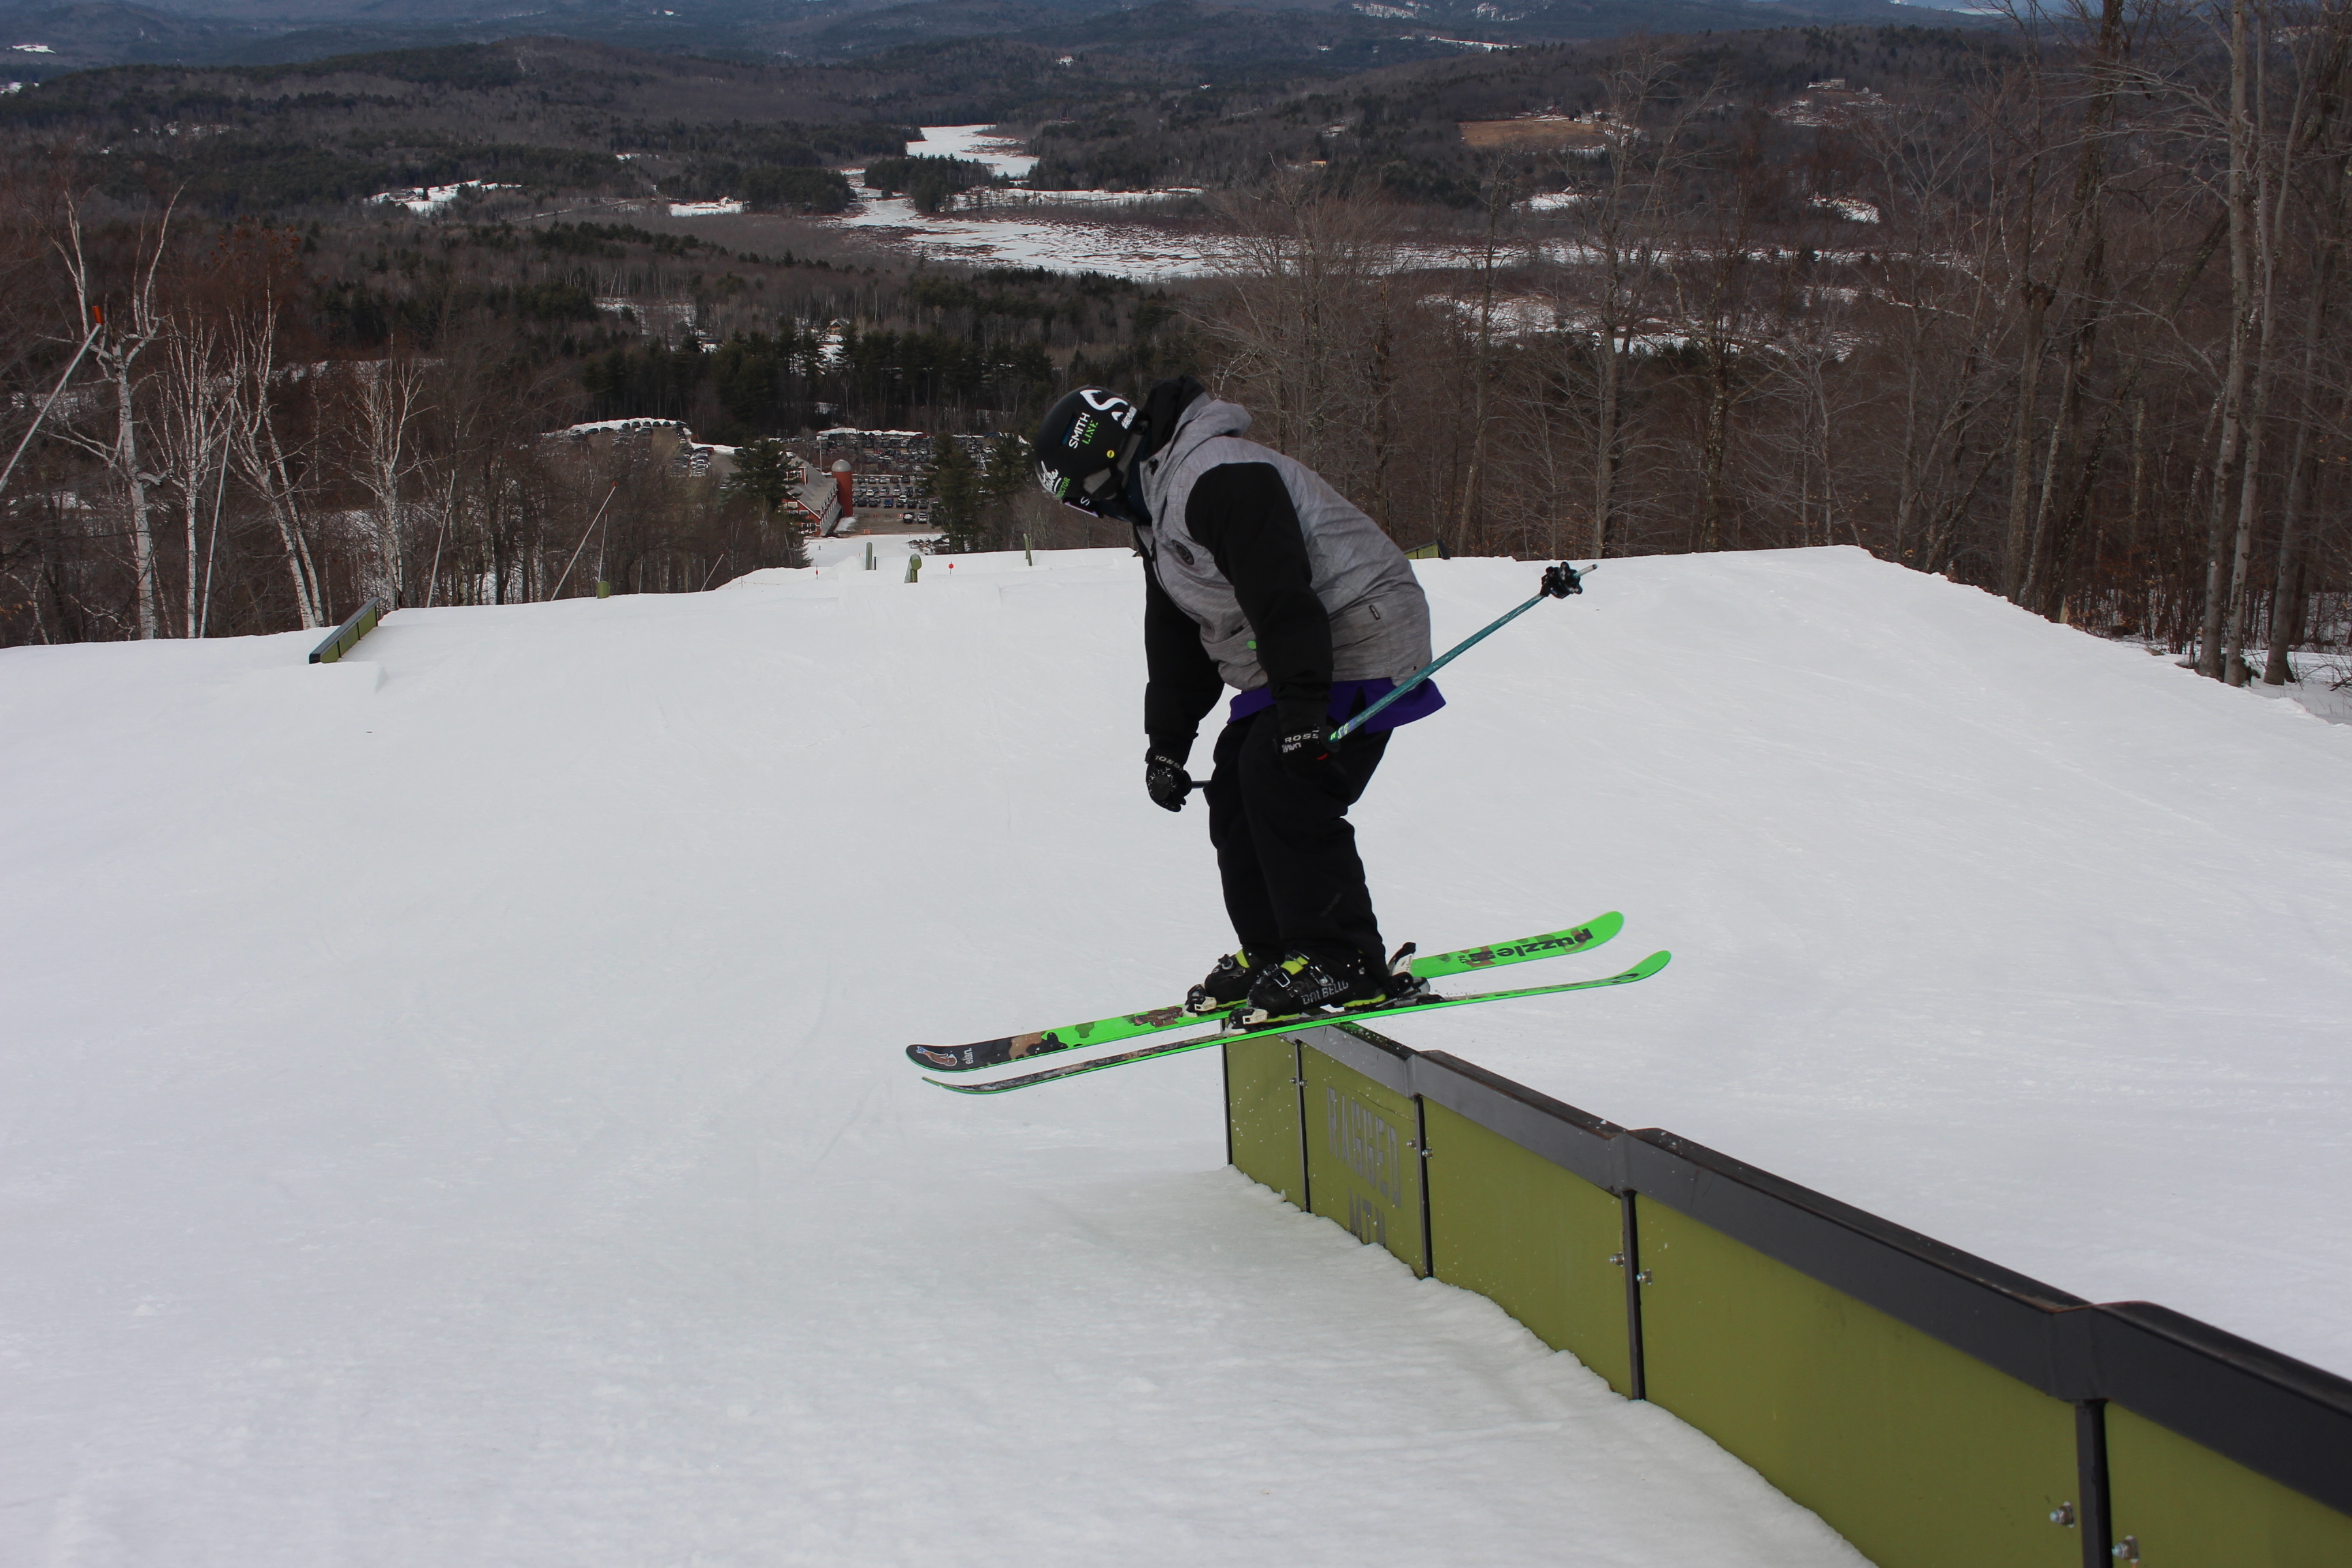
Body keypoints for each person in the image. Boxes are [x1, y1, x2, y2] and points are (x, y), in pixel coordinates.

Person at [1031, 377, 1443, 1017]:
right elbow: (1175, 635)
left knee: (1284, 778)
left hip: (1361, 627)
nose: (1099, 516)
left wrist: (1303, 713)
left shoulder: (1215, 477)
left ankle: (1342, 959)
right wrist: (1166, 746)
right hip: (1289, 650)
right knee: (1232, 790)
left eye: (1088, 503)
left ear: (1105, 469)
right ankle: (1278, 949)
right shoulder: (1155, 513)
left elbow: (1282, 592)